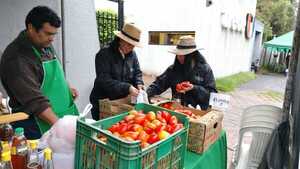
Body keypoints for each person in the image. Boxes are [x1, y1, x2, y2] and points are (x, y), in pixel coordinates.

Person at [0, 6, 79, 139]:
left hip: (61, 117)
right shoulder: (16, 57)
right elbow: (35, 102)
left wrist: (66, 88)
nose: (52, 39)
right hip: (36, 126)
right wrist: (61, 127)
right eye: (48, 33)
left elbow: (54, 74)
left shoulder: (44, 44)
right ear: (31, 28)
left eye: (54, 34)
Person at [89, 23, 144, 120]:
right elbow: (104, 80)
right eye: (129, 44)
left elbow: (137, 72)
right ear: (121, 39)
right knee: (102, 132)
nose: (131, 48)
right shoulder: (104, 54)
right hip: (103, 102)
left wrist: (139, 83)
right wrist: (127, 87)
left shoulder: (132, 55)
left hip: (122, 102)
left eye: (133, 46)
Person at [146, 36, 217, 110]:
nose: (179, 57)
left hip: (198, 112)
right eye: (178, 55)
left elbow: (212, 95)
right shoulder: (173, 69)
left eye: (183, 55)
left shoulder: (205, 69)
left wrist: (194, 88)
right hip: (177, 110)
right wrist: (146, 93)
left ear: (192, 55)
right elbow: (159, 84)